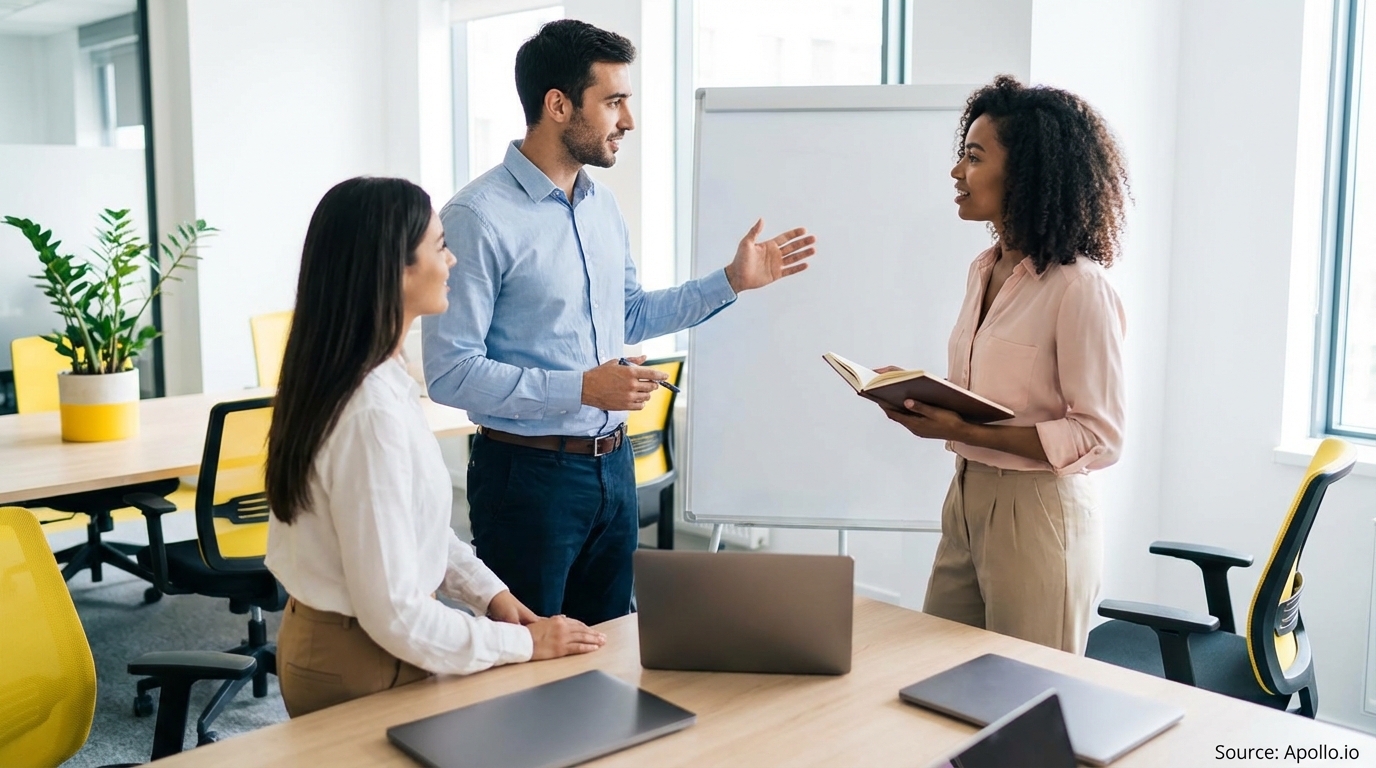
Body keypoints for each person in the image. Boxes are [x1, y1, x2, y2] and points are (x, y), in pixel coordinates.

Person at [423, 20, 816, 626]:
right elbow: (450, 373)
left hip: (613, 468)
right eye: (613, 101)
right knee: (526, 666)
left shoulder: (600, 204)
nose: (627, 120)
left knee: (611, 651)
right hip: (526, 479)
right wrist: (581, 387)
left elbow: (628, 312)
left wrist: (731, 281)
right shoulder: (477, 217)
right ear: (557, 104)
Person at [264, 177, 605, 718]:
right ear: (393, 270)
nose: (452, 263)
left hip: (370, 641)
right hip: (361, 656)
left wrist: (491, 597)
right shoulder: (369, 410)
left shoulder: (373, 377)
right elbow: (397, 613)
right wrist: (525, 645)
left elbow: (415, 528)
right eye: (441, 246)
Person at [876, 76, 1128, 654]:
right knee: (937, 676)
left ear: (1027, 172)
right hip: (965, 496)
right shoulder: (982, 268)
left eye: (973, 156)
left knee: (1026, 705)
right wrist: (920, 394)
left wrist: (960, 429)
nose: (956, 173)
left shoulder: (1079, 288)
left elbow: (1099, 437)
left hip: (1037, 509)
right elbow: (992, 396)